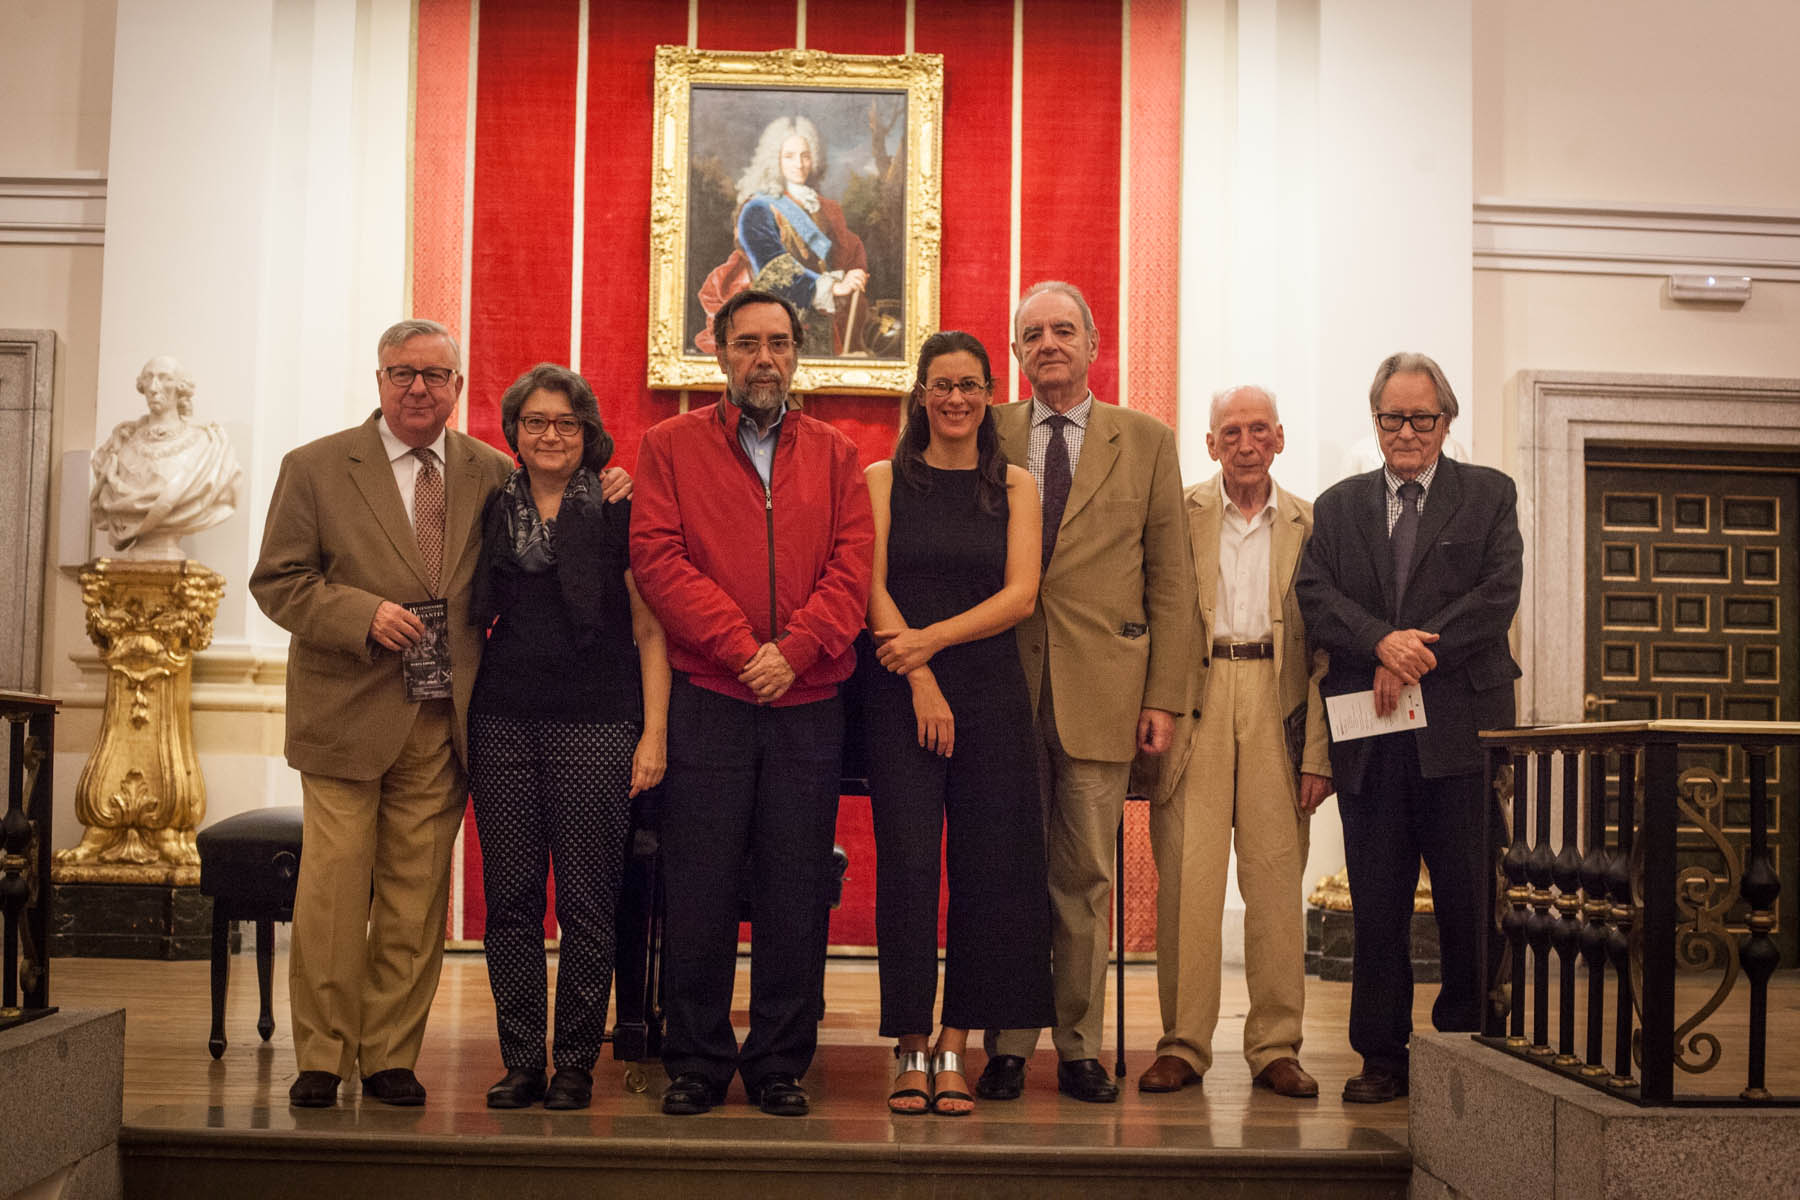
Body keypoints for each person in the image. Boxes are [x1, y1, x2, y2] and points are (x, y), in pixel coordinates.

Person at [251, 319, 515, 1108]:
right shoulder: (316, 467)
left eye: (435, 375)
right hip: (344, 712)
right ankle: (322, 1057)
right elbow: (277, 582)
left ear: (457, 387)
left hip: (442, 719)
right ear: (378, 380)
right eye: (403, 373)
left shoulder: (491, 472)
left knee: (415, 896)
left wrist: (610, 482)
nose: (418, 388)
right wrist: (359, 613)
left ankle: (391, 1055)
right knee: (333, 894)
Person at [630, 288, 873, 1117]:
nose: (763, 358)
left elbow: (852, 568)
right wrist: (742, 650)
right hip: (709, 698)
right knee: (698, 883)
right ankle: (696, 1061)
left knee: (794, 888)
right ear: (719, 351)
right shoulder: (668, 447)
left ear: (798, 352)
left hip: (809, 702)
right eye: (747, 343)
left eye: (778, 342)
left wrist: (794, 652)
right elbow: (658, 561)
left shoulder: (839, 454)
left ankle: (778, 1063)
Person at [980, 281, 1194, 1104]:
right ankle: (1007, 1043)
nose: (1049, 344)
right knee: (1007, 874)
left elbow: (1171, 580)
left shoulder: (1146, 441)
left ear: (1094, 344)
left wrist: (1164, 697)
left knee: (1084, 879)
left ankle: (1077, 1047)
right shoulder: (986, 428)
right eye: (1032, 333)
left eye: (1063, 330)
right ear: (1016, 351)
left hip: (1106, 691)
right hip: (1001, 686)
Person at [1296, 351, 1522, 1104]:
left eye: (1422, 418)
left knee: (1468, 901)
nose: (1407, 432)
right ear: (1376, 420)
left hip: (1461, 733)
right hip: (1372, 735)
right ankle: (1382, 1058)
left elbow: (1497, 596)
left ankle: (1468, 1048)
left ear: (1446, 421)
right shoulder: (1338, 507)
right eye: (1392, 417)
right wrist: (1379, 642)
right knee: (1379, 906)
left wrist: (1415, 653)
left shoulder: (1488, 494)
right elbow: (1315, 597)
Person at [469, 363, 670, 1112]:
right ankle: (522, 1060)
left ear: (588, 434)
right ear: (514, 433)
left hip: (598, 723)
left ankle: (577, 1063)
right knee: (511, 901)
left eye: (566, 423)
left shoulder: (621, 509)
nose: (551, 435)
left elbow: (651, 631)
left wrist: (654, 734)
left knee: (588, 902)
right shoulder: (492, 506)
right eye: (536, 422)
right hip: (502, 721)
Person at [864, 331, 1054, 1117]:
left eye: (970, 385)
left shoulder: (1015, 485)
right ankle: (910, 1044)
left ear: (988, 395)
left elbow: (1021, 596)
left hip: (990, 695)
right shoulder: (882, 479)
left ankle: (954, 1044)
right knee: (908, 868)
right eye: (941, 385)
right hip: (899, 693)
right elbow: (868, 586)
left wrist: (930, 644)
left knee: (989, 872)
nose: (955, 399)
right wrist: (919, 675)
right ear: (921, 395)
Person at [1138, 385, 1331, 1100]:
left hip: (1279, 702)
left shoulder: (1314, 524)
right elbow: (1149, 610)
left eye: (1258, 430)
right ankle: (1183, 1046)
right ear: (1211, 443)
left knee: (1276, 881)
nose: (1245, 444)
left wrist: (1319, 753)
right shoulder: (1177, 513)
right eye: (1231, 432)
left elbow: (1327, 649)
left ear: (1279, 438)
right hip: (1196, 696)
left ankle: (1276, 1047)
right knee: (1188, 882)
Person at [696, 115, 870, 356]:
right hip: (772, 322)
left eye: (805, 156)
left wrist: (853, 273)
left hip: (820, 323)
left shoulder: (820, 207)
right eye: (789, 156)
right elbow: (774, 270)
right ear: (774, 159)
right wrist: (833, 288)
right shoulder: (757, 208)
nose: (799, 164)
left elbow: (843, 253)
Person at [90, 354, 244, 559]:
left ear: (181, 387)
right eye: (148, 378)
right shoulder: (120, 445)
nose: (154, 387)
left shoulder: (207, 446)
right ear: (141, 385)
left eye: (165, 378)